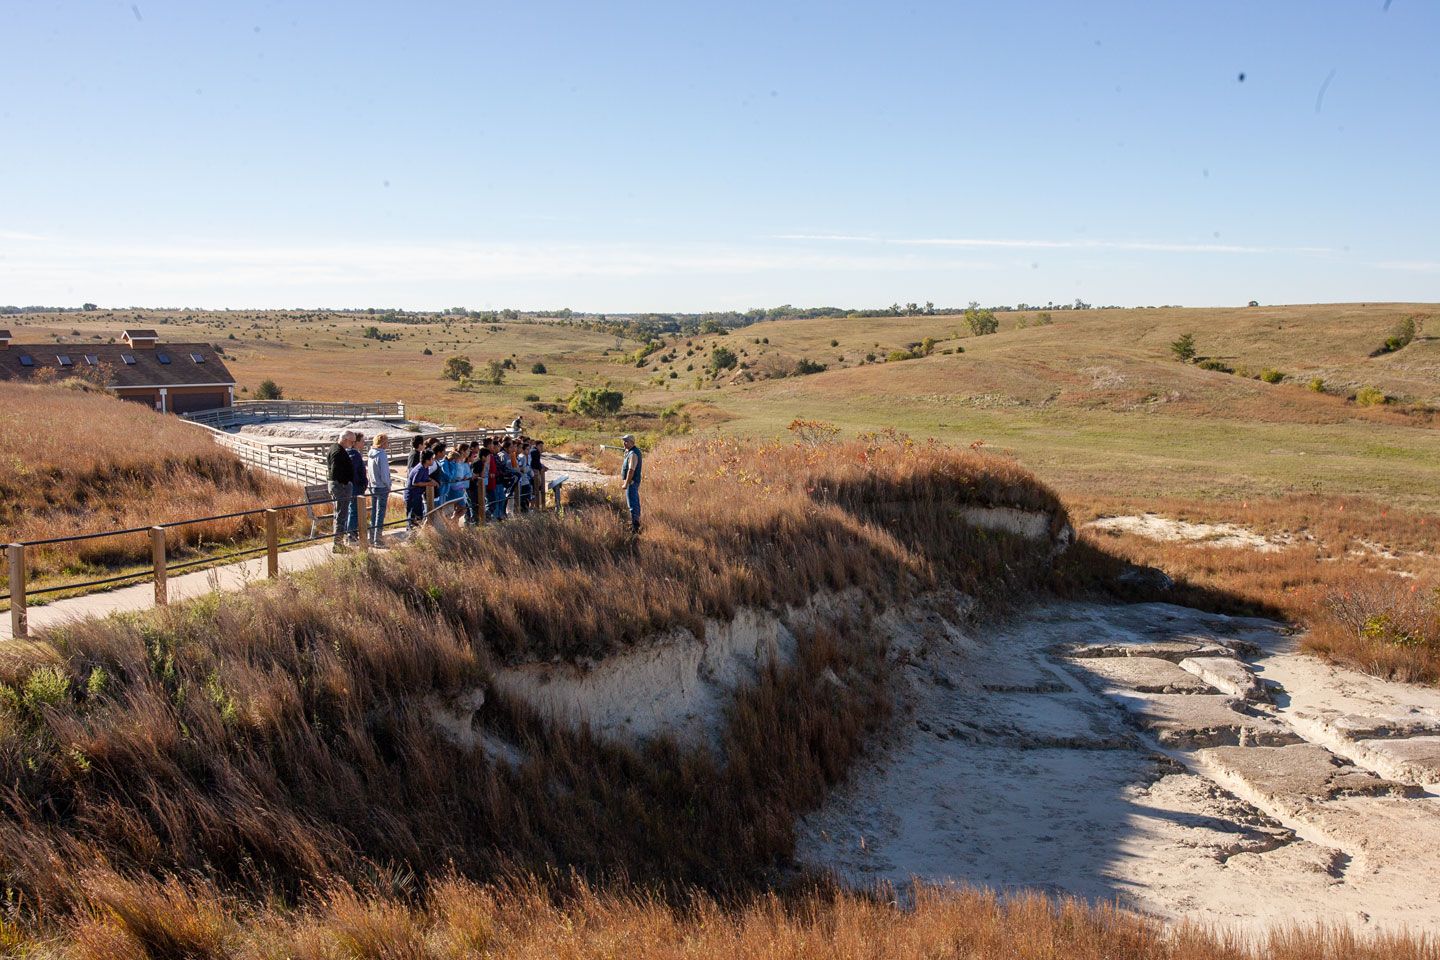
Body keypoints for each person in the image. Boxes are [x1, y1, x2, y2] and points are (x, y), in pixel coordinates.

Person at [326, 431, 356, 552]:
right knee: (341, 516)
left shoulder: (335, 448)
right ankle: (338, 544)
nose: (353, 444)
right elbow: (335, 472)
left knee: (339, 515)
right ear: (345, 439)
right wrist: (345, 483)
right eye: (352, 441)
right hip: (340, 487)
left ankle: (338, 542)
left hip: (338, 485)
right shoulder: (338, 451)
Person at [367, 433, 392, 547]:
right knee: (380, 513)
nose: (388, 444)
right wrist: (388, 485)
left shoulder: (371, 454)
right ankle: (378, 539)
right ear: (383, 443)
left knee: (374, 512)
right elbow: (384, 473)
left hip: (373, 485)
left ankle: (372, 537)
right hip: (381, 486)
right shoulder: (381, 455)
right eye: (387, 442)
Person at [406, 449, 438, 528]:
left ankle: (416, 532)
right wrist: (429, 483)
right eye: (432, 458)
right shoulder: (420, 469)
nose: (433, 460)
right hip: (412, 496)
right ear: (427, 460)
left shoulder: (425, 467)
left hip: (417, 495)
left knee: (419, 515)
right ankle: (411, 533)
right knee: (414, 517)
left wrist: (432, 480)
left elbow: (426, 477)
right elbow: (415, 482)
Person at [345, 432, 367, 543]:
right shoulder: (355, 455)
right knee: (354, 510)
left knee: (351, 510)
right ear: (356, 442)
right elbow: (354, 473)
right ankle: (351, 535)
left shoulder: (347, 453)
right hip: (356, 487)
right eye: (362, 441)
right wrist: (362, 483)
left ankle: (350, 533)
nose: (364, 443)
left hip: (350, 486)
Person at [620, 433, 643, 534]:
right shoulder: (631, 451)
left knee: (632, 504)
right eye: (624, 441)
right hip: (632, 482)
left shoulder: (633, 453)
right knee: (635, 503)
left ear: (632, 442)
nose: (624, 443)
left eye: (626, 441)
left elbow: (631, 470)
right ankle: (636, 523)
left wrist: (626, 483)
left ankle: (635, 527)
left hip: (631, 482)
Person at [516, 438, 533, 513]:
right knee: (523, 494)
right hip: (522, 478)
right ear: (523, 450)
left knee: (528, 493)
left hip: (527, 477)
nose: (528, 451)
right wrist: (526, 469)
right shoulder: (521, 457)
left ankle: (526, 508)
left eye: (529, 449)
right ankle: (524, 509)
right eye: (527, 449)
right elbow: (521, 469)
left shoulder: (528, 456)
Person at [530, 439, 547, 509]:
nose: (541, 448)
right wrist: (541, 468)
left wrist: (542, 466)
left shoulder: (533, 450)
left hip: (533, 472)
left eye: (542, 446)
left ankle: (535, 506)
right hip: (534, 473)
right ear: (536, 445)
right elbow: (536, 464)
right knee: (536, 489)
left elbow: (537, 463)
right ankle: (535, 506)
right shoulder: (535, 452)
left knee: (536, 489)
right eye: (540, 446)